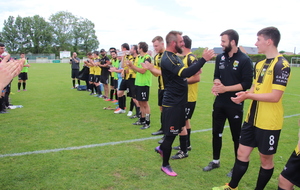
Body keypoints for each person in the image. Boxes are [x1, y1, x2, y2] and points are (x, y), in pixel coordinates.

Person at [213, 26, 291, 190]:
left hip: (269, 122)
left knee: (265, 159)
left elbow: (275, 96)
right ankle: (232, 186)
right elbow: (255, 88)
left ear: (269, 41)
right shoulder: (260, 63)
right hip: (251, 119)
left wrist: (248, 96)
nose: (256, 43)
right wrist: (244, 94)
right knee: (242, 153)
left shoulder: (282, 64)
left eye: (258, 40)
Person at [155, 30, 214, 176]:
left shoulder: (174, 56)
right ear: (174, 43)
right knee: (170, 135)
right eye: (181, 41)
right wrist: (203, 59)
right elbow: (184, 73)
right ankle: (165, 165)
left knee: (180, 127)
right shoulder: (167, 58)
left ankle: (164, 148)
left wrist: (195, 67)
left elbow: (184, 73)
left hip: (180, 101)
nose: (183, 44)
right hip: (172, 103)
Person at [203, 29, 253, 176]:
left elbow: (246, 84)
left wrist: (225, 89)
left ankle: (237, 166)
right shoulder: (221, 58)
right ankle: (215, 161)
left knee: (236, 136)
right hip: (219, 103)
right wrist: (217, 84)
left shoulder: (244, 60)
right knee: (216, 133)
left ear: (232, 42)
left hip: (235, 104)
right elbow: (216, 76)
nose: (221, 44)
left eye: (223, 41)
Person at [171, 35, 202, 159]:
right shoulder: (185, 58)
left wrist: (180, 81)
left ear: (183, 44)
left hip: (189, 97)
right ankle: (186, 145)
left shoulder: (191, 57)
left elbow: (197, 77)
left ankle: (184, 150)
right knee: (185, 121)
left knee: (182, 122)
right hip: (184, 96)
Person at [143, 36, 165, 138]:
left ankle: (168, 132)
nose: (155, 48)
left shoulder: (168, 56)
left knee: (168, 110)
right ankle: (163, 128)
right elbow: (156, 74)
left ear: (162, 44)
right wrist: (150, 68)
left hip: (169, 88)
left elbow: (167, 73)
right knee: (161, 108)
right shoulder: (156, 57)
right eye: (154, 46)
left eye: (156, 45)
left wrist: (151, 68)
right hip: (161, 87)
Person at [127, 42, 152, 130]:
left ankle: (148, 122)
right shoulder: (139, 57)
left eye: (138, 47)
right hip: (138, 83)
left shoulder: (147, 58)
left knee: (145, 103)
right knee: (140, 102)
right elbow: (136, 69)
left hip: (144, 83)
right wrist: (130, 66)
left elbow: (142, 71)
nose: (137, 49)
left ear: (141, 48)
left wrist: (132, 66)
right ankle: (142, 119)